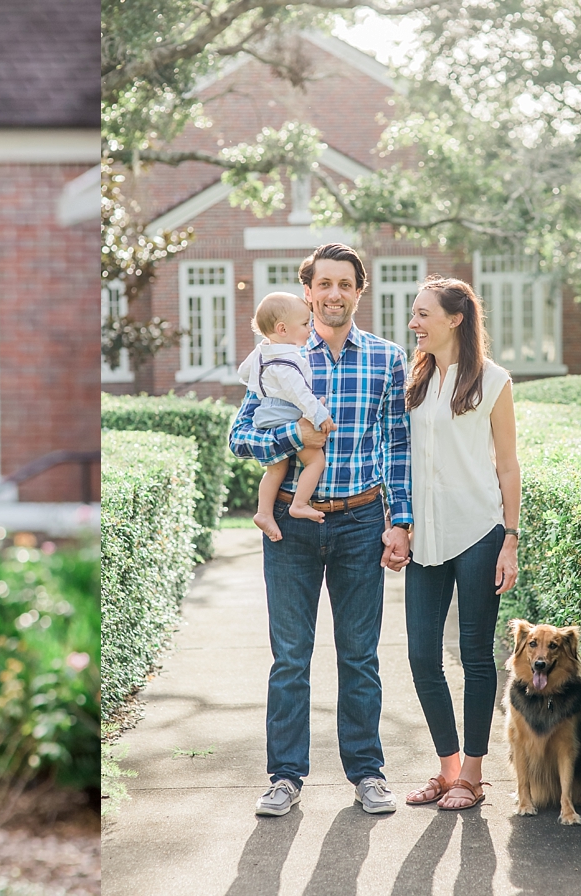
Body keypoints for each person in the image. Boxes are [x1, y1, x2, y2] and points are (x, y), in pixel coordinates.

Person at [228, 242, 413, 818]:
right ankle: (285, 777)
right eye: (324, 284)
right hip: (289, 524)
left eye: (345, 284)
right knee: (290, 658)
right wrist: (295, 439)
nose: (334, 294)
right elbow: (240, 437)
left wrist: (400, 521)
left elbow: (398, 447)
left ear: (359, 291)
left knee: (360, 657)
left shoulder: (386, 358)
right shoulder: (276, 353)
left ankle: (368, 773)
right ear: (307, 292)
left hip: (361, 520)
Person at [397, 277, 520, 812]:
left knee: (474, 655)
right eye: (414, 313)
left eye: (423, 314)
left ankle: (473, 772)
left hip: (478, 531)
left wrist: (510, 539)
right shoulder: (414, 380)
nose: (414, 323)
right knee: (422, 655)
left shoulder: (493, 380)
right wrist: (398, 523)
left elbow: (507, 464)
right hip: (425, 535)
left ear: (455, 319)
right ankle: (447, 769)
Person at [238, 291, 337, 541]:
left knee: (276, 469)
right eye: (305, 324)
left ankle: (263, 512)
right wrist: (320, 415)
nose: (310, 328)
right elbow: (300, 394)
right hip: (286, 413)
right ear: (282, 329)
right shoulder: (287, 361)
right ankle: (299, 504)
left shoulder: (263, 351)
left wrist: (263, 385)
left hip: (266, 412)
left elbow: (243, 373)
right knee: (315, 462)